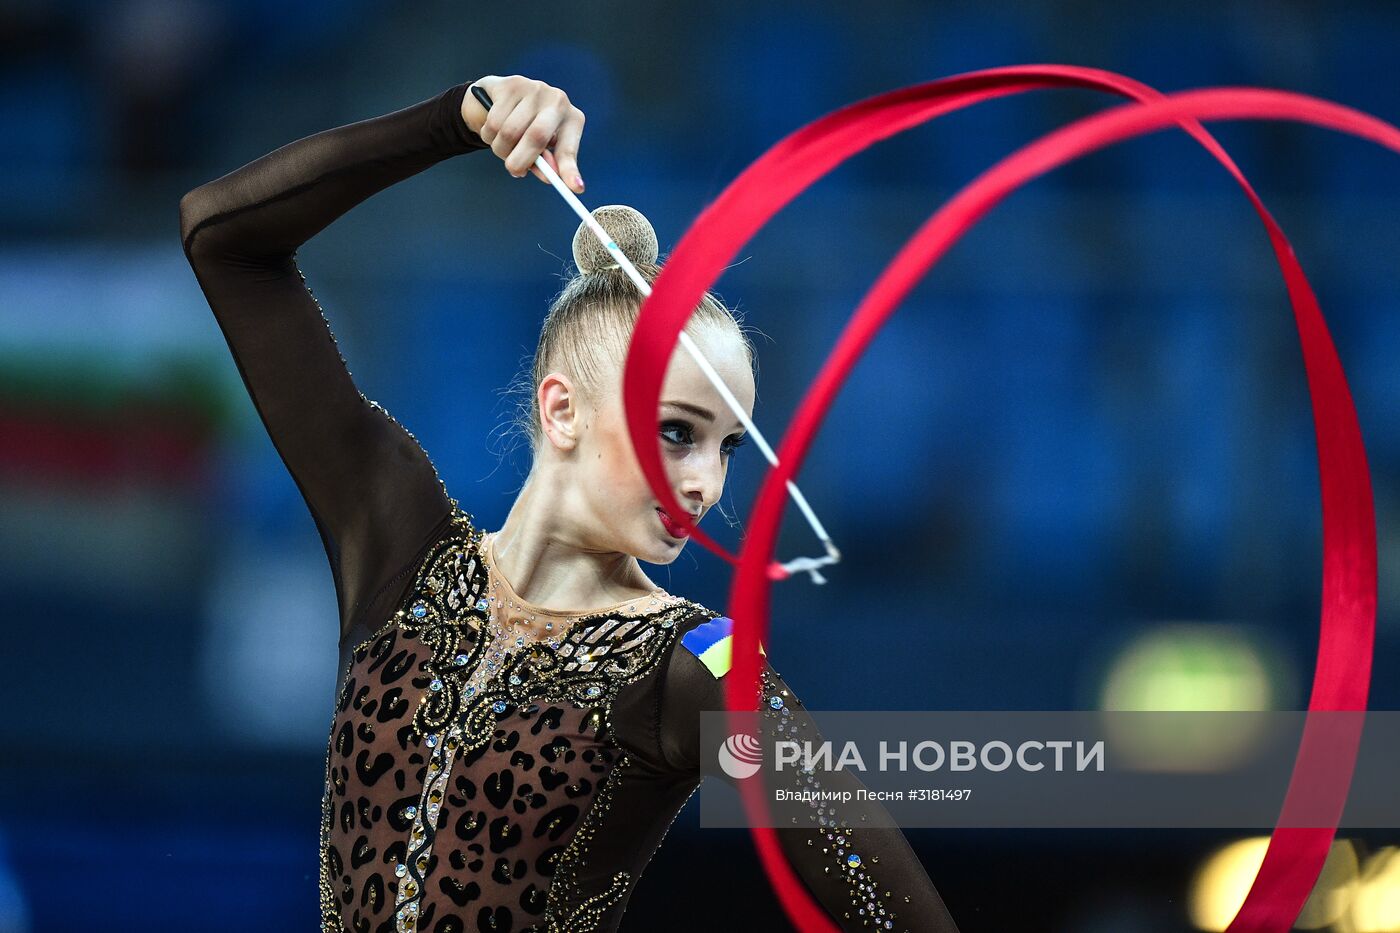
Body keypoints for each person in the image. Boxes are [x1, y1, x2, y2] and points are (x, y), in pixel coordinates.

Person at [180, 73, 960, 933]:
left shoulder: (699, 659)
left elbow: (900, 914)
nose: (705, 482)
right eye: (677, 432)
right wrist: (454, 120)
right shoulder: (395, 537)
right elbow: (225, 240)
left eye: (728, 445)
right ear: (562, 410)